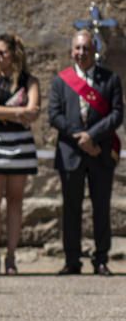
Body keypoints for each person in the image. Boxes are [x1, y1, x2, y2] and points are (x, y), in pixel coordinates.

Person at [48, 30, 123, 276]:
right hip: (71, 152)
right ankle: (72, 260)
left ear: (94, 51)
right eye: (77, 49)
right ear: (72, 51)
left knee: (101, 207)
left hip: (100, 151)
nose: (81, 53)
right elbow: (55, 115)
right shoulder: (61, 81)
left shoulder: (110, 79)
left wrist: (93, 136)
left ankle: (101, 258)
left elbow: (116, 114)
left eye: (86, 49)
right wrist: (80, 137)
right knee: (71, 208)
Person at [0, 34, 40, 275]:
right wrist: (18, 112)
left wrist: (15, 112)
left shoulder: (29, 81)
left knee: (15, 200)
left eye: (1, 52)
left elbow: (34, 111)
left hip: (20, 145)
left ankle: (11, 257)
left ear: (14, 54)